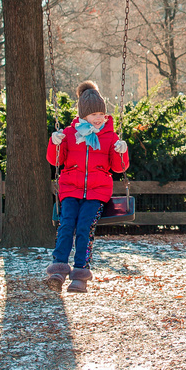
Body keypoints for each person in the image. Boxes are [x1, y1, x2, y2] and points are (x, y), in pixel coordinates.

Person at [44, 80, 129, 293]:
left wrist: (121, 151)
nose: (99, 119)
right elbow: (56, 161)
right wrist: (55, 143)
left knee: (84, 228)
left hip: (97, 192)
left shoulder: (110, 137)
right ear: (83, 116)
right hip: (70, 188)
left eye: (102, 114)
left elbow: (118, 168)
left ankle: (80, 273)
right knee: (66, 226)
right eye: (94, 115)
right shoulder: (70, 135)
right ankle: (58, 269)